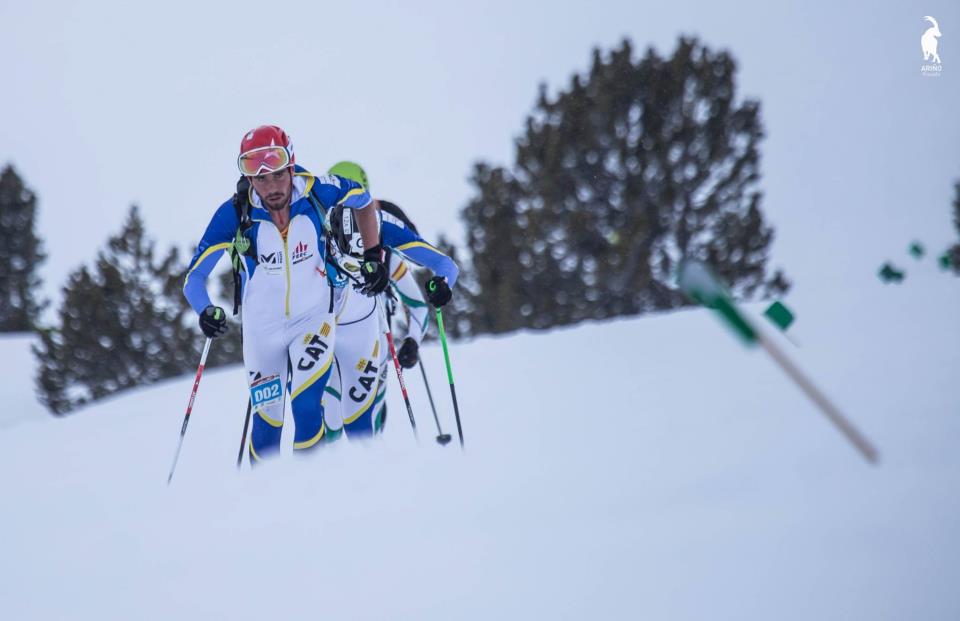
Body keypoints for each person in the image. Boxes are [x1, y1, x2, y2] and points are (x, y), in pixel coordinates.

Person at [182, 126, 388, 463]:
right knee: (267, 426)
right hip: (263, 331)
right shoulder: (235, 213)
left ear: (291, 165)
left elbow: (364, 202)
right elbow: (194, 278)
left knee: (307, 408)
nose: (271, 187)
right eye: (259, 179)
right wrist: (205, 311)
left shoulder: (319, 191)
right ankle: (266, 503)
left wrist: (373, 255)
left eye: (277, 175)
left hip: (313, 319)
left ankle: (307, 495)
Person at [322, 160, 457, 436]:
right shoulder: (319, 236)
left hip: (376, 339)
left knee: (367, 423)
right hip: (331, 337)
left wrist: (412, 341)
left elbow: (417, 304)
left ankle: (371, 474)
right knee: (331, 423)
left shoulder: (385, 241)